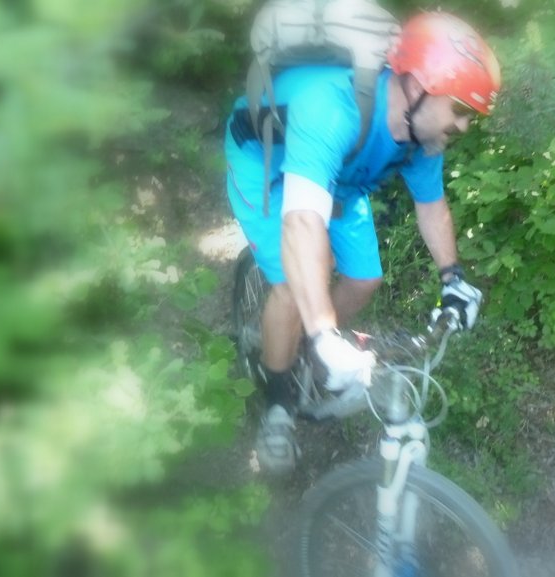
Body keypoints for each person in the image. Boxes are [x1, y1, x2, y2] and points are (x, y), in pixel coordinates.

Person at [224, 11, 500, 475]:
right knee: (293, 289)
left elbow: (431, 207)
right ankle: (278, 406)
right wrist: (324, 331)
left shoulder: (419, 139)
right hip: (265, 161)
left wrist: (453, 280)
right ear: (418, 85)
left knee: (365, 277)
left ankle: (308, 350)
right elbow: (301, 222)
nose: (464, 126)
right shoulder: (331, 107)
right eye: (460, 109)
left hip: (338, 175)